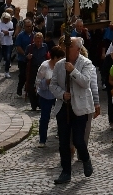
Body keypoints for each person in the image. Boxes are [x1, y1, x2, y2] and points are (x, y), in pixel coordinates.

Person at [49, 37, 94, 184]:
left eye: (70, 47)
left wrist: (73, 70)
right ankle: (66, 172)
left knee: (78, 140)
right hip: (64, 106)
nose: (66, 50)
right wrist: (62, 94)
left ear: (78, 49)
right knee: (63, 142)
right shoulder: (59, 65)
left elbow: (85, 82)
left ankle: (86, 158)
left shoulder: (86, 63)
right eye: (65, 47)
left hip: (80, 107)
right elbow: (53, 84)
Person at [34, 45, 62, 147]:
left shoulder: (61, 66)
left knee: (61, 115)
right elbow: (38, 82)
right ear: (54, 58)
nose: (61, 60)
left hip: (58, 93)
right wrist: (47, 81)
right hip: (46, 94)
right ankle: (42, 139)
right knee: (45, 117)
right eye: (59, 58)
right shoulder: (45, 66)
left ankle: (61, 135)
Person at [26, 33, 50, 110]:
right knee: (31, 87)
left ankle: (40, 103)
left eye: (40, 41)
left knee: (41, 85)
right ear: (34, 40)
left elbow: (47, 56)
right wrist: (28, 57)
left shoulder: (45, 46)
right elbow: (24, 59)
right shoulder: (30, 47)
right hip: (33, 69)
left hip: (42, 69)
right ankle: (33, 104)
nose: (38, 43)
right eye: (37, 41)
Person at [14, 18, 33, 96]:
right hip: (23, 59)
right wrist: (25, 55)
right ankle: (19, 88)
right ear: (24, 27)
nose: (29, 28)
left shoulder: (34, 35)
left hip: (32, 59)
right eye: (27, 26)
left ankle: (28, 90)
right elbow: (18, 47)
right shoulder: (20, 36)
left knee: (31, 76)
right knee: (23, 75)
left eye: (30, 26)